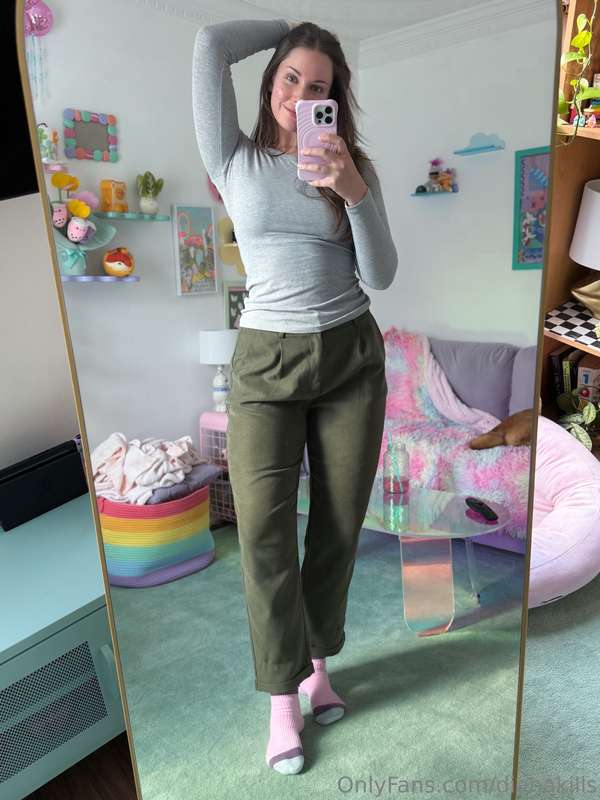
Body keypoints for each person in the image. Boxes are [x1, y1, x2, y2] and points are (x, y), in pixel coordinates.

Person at [192, 18, 397, 775]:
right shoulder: (232, 157)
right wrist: (287, 30)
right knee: (264, 536)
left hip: (350, 357)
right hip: (264, 363)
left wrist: (352, 191)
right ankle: (283, 700)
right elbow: (210, 43)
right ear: (270, 78)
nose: (300, 96)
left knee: (338, 528)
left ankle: (318, 668)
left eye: (319, 87)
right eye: (290, 77)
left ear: (334, 101)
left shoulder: (351, 167)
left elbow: (382, 275)